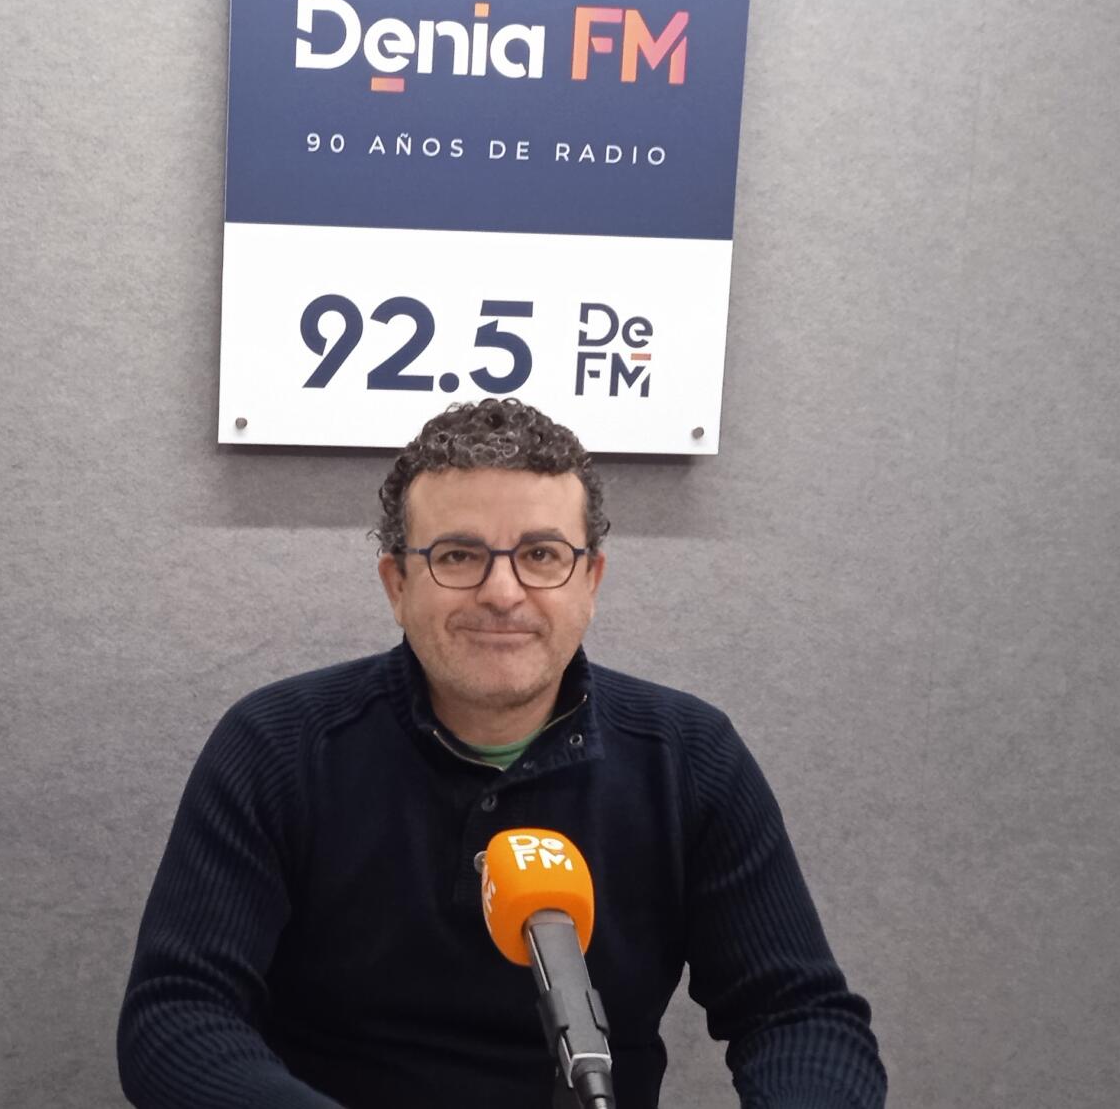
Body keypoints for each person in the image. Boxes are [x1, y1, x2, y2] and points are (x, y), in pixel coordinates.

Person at [118, 399, 886, 1109]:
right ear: (397, 583)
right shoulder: (278, 746)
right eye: (458, 556)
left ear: (591, 581)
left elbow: (802, 1017)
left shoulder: (690, 758)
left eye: (542, 555)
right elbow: (177, 1018)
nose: (503, 592)